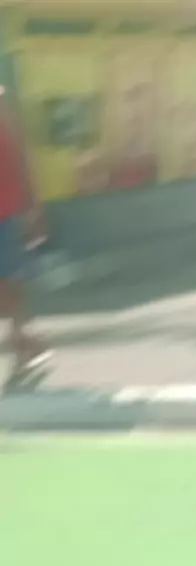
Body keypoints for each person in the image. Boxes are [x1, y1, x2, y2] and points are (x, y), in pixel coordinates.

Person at [0, 86, 51, 381]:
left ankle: (23, 343)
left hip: (7, 212)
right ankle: (25, 342)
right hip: (10, 211)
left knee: (10, 282)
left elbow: (21, 159)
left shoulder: (3, 110)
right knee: (9, 284)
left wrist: (33, 205)